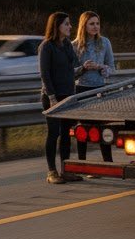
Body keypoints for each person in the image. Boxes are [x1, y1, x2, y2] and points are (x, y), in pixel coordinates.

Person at [38, 11, 83, 184]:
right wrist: (51, 97)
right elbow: (45, 74)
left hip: (68, 94)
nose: (70, 27)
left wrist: (85, 68)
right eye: (66, 24)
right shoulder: (46, 46)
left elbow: (74, 66)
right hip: (52, 97)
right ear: (57, 26)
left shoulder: (67, 45)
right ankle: (51, 172)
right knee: (53, 133)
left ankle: (65, 170)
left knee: (66, 133)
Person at [73, 10, 116, 162]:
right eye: (91, 24)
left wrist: (101, 68)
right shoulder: (75, 45)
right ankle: (82, 161)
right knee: (83, 129)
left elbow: (111, 67)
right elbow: (70, 73)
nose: (95, 27)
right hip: (82, 90)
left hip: (100, 89)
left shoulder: (105, 42)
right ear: (84, 26)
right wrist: (83, 67)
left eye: (97, 23)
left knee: (103, 128)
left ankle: (108, 161)